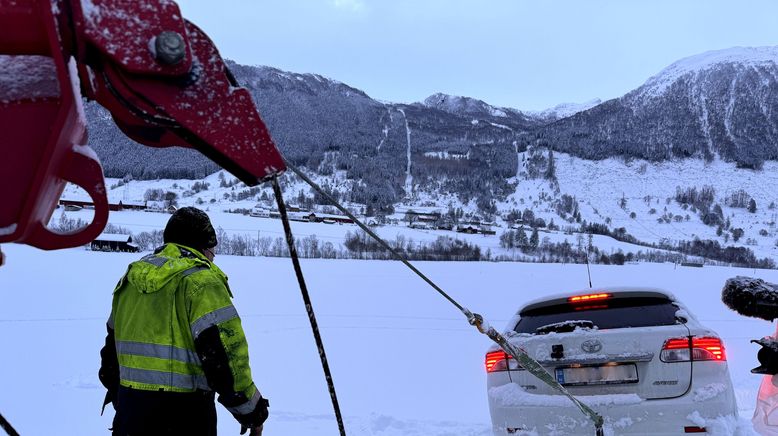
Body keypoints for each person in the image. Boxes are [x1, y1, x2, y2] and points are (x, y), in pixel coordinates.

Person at [99, 207, 268, 435]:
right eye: (212, 250)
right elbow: (227, 357)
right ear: (202, 246)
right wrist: (251, 413)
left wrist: (128, 405)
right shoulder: (201, 282)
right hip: (184, 418)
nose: (212, 256)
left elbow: (110, 358)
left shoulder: (130, 281)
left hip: (130, 415)